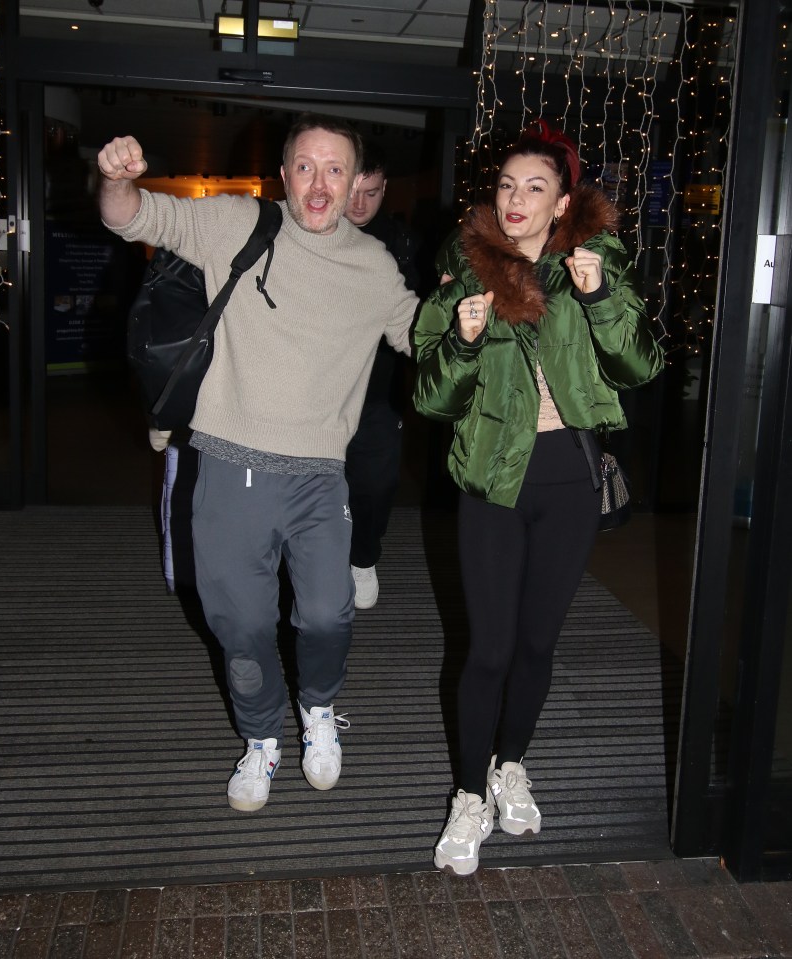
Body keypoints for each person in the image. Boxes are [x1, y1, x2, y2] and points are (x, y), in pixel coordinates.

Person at [97, 114, 418, 813]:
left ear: (357, 180)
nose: (320, 183)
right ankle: (260, 738)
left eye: (335, 169)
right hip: (227, 469)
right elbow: (131, 216)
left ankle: (318, 710)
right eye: (306, 166)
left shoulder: (371, 267)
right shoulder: (238, 224)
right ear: (284, 174)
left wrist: (473, 314)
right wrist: (116, 180)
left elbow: (419, 333)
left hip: (316, 477)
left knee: (330, 614)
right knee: (239, 629)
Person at [412, 120, 664, 875]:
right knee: (486, 648)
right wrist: (457, 344)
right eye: (505, 185)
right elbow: (428, 396)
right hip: (491, 476)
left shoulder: (593, 264)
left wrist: (598, 300)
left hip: (568, 482)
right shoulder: (461, 270)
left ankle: (510, 763)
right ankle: (467, 794)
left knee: (535, 643)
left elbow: (638, 367)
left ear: (561, 204)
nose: (515, 199)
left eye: (535, 188)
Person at [343, 141, 423, 609]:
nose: (358, 204)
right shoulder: (310, 232)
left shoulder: (403, 243)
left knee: (374, 485)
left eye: (370, 193)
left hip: (377, 394)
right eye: (352, 190)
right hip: (316, 396)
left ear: (384, 189)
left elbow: (417, 322)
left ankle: (363, 556)